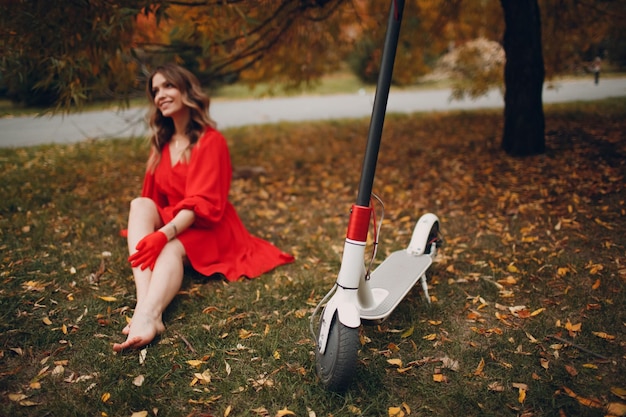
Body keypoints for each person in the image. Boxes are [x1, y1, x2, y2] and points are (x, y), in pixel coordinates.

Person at [113, 64, 294, 352]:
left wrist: (165, 234)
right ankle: (144, 307)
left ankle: (150, 315)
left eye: (168, 86)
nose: (160, 94)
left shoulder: (212, 141)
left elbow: (203, 204)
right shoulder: (161, 143)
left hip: (211, 224)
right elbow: (154, 199)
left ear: (187, 91)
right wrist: (156, 228)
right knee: (139, 203)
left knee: (170, 248)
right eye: (155, 91)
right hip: (176, 218)